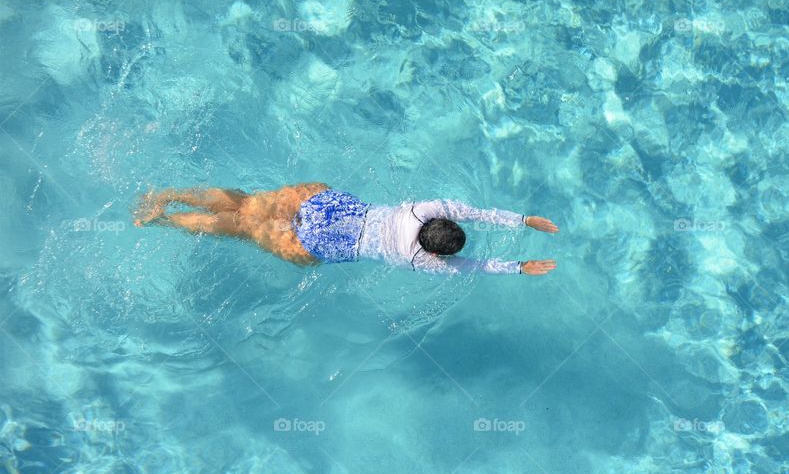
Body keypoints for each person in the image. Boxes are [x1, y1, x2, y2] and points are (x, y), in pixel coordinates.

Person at [134, 184, 558, 275]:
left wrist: (522, 219)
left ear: (438, 221)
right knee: (244, 228)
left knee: (247, 204)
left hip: (323, 203)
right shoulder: (419, 261)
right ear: (437, 251)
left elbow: (478, 212)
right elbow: (475, 267)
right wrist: (520, 267)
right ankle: (165, 221)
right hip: (324, 243)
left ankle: (168, 193)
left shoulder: (427, 208)